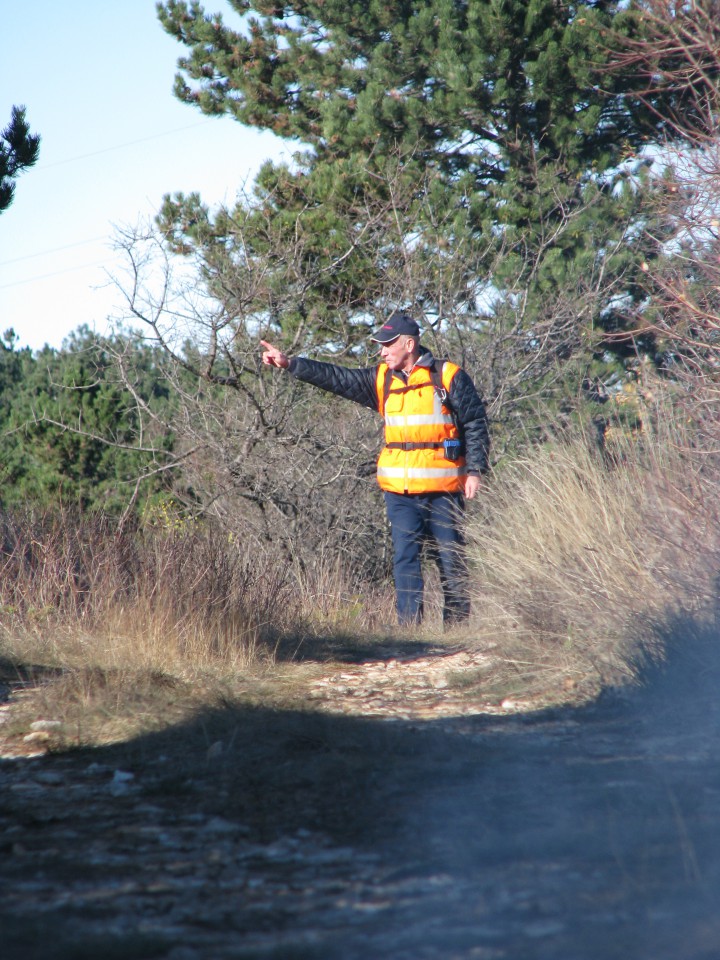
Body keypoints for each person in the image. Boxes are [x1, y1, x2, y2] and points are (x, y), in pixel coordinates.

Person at [260, 312, 490, 627]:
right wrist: (291, 364)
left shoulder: (448, 376)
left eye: (387, 344)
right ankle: (410, 633)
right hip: (400, 492)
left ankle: (456, 632)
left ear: (409, 344)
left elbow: (475, 422)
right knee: (405, 561)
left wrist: (475, 470)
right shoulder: (381, 379)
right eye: (380, 346)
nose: (382, 351)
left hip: (444, 491)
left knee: (451, 562)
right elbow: (337, 378)